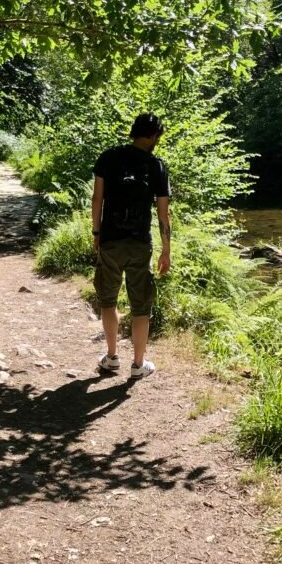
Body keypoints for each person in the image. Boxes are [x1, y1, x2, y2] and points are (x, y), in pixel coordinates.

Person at [92, 113, 171, 379]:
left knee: (107, 299)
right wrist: (166, 250)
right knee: (141, 306)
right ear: (152, 136)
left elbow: (97, 200)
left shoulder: (108, 157)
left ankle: (112, 357)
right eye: (157, 137)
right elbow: (163, 214)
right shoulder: (156, 165)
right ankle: (138, 364)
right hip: (140, 243)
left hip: (110, 239)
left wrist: (96, 233)